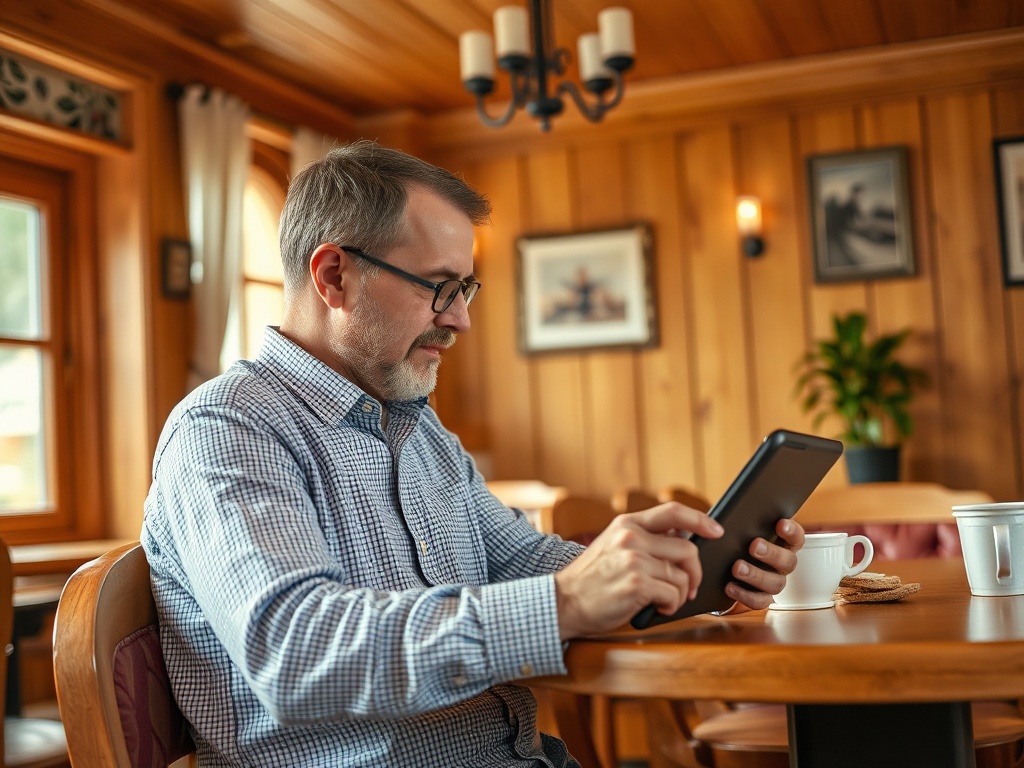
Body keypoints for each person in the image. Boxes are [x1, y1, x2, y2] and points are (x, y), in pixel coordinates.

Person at [141, 140, 804, 767]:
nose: (460, 319)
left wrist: (690, 572)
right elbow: (297, 652)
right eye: (439, 287)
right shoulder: (228, 427)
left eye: (466, 290)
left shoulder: (419, 432)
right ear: (335, 275)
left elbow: (529, 562)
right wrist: (568, 602)